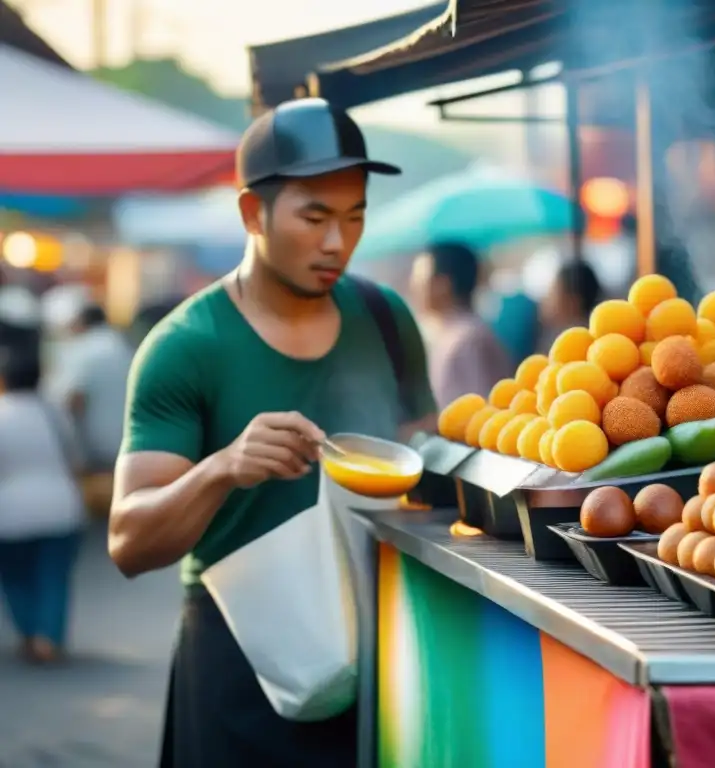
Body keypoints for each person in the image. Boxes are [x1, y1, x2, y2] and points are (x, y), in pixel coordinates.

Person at [108, 98, 436, 767]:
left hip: (378, 641)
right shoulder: (185, 346)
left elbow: (425, 457)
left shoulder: (384, 315)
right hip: (237, 659)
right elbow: (129, 542)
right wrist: (221, 467)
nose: (337, 243)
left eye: (354, 217)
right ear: (253, 214)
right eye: (314, 217)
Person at [0, 351, 85, 664]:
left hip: (9, 515)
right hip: (61, 507)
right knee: (54, 576)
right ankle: (49, 637)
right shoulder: (55, 413)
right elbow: (76, 460)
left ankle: (28, 630)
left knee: (14, 578)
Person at [47, 302, 134, 518]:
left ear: (81, 323)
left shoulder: (82, 350)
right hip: (128, 441)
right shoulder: (124, 347)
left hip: (95, 448)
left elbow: (70, 398)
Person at [410, 241, 512, 409]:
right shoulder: (452, 335)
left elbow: (479, 413)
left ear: (443, 284)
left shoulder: (469, 339)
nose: (414, 286)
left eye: (420, 278)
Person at [537, 259, 601, 353]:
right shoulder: (552, 334)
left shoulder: (573, 346)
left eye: (552, 292)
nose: (545, 299)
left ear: (573, 302)